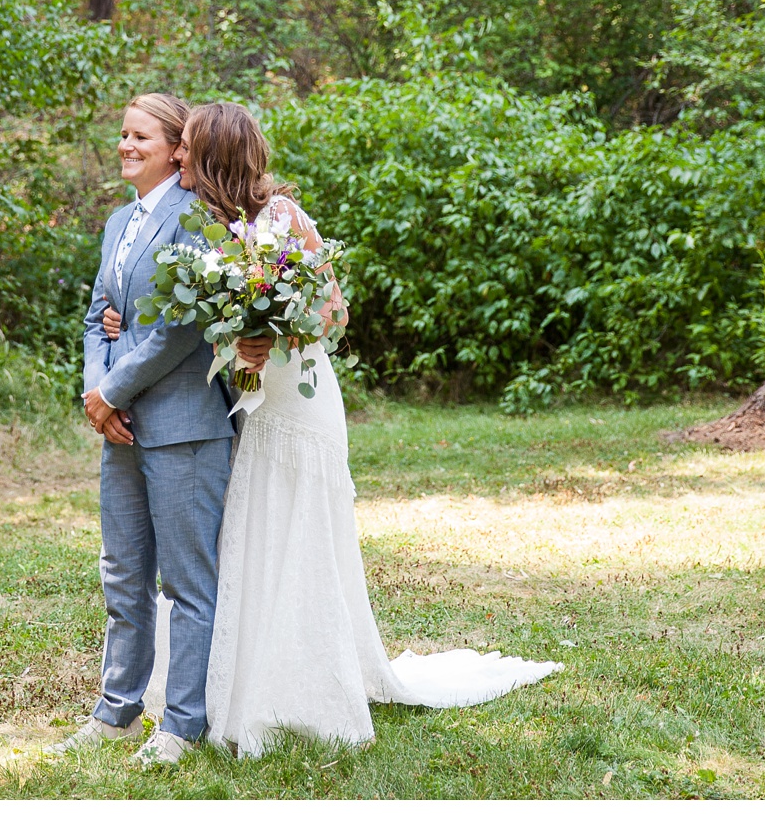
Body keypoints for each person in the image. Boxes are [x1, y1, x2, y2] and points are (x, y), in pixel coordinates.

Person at [168, 101, 561, 757]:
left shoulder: (284, 219)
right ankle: (251, 678)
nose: (177, 155)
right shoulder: (212, 234)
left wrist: (274, 330)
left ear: (214, 155)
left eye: (186, 146)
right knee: (260, 525)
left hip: (302, 399)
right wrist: (238, 343)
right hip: (256, 405)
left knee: (305, 530)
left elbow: (335, 311)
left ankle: (310, 682)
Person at [50, 93, 237, 768]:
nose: (125, 145)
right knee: (123, 573)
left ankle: (183, 724)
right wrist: (96, 393)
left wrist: (112, 388)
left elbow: (179, 331)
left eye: (140, 136)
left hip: (185, 425)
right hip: (119, 426)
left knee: (186, 582)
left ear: (175, 147)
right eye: (122, 134)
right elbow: (98, 311)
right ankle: (117, 710)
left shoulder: (200, 221)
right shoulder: (115, 223)